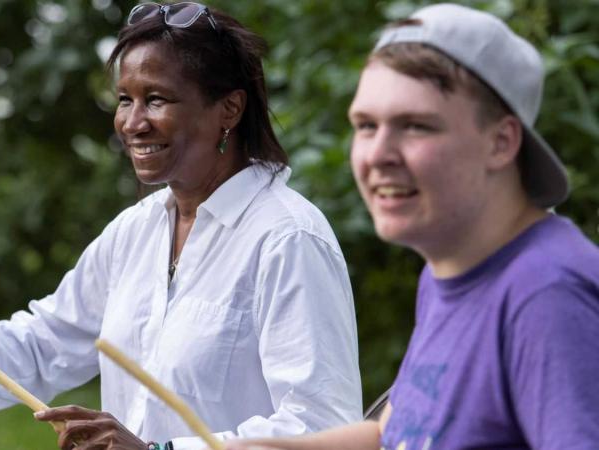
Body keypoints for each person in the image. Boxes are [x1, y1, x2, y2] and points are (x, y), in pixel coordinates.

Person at [0, 3, 363, 450]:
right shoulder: (136, 230)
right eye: (124, 99)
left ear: (229, 107)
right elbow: (46, 339)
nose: (132, 122)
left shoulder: (288, 239)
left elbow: (322, 428)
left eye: (156, 99)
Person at [222, 3, 599, 450]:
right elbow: (395, 432)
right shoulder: (452, 268)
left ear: (501, 142)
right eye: (366, 125)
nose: (377, 154)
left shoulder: (547, 294)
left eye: (415, 126)